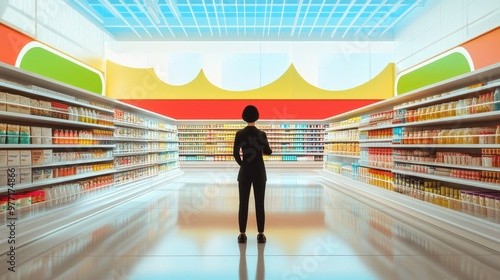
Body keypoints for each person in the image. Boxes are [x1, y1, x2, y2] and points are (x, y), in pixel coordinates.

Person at [233, 105, 272, 244]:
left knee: (243, 203)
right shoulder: (262, 134)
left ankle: (242, 234)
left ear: (244, 117)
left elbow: (235, 154)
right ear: (257, 117)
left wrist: (243, 164)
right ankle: (261, 234)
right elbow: (269, 151)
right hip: (259, 172)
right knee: (259, 203)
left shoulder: (239, 134)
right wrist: (262, 149)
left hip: (245, 172)